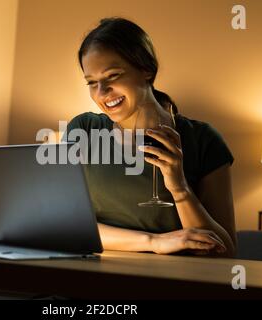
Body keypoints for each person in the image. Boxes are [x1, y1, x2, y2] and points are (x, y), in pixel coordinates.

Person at [64, 17, 236, 257]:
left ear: (146, 69)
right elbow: (68, 226)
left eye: (112, 76)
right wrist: (154, 241)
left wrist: (180, 188)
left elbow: (223, 252)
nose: (102, 93)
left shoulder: (204, 141)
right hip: (94, 277)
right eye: (92, 83)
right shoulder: (83, 130)